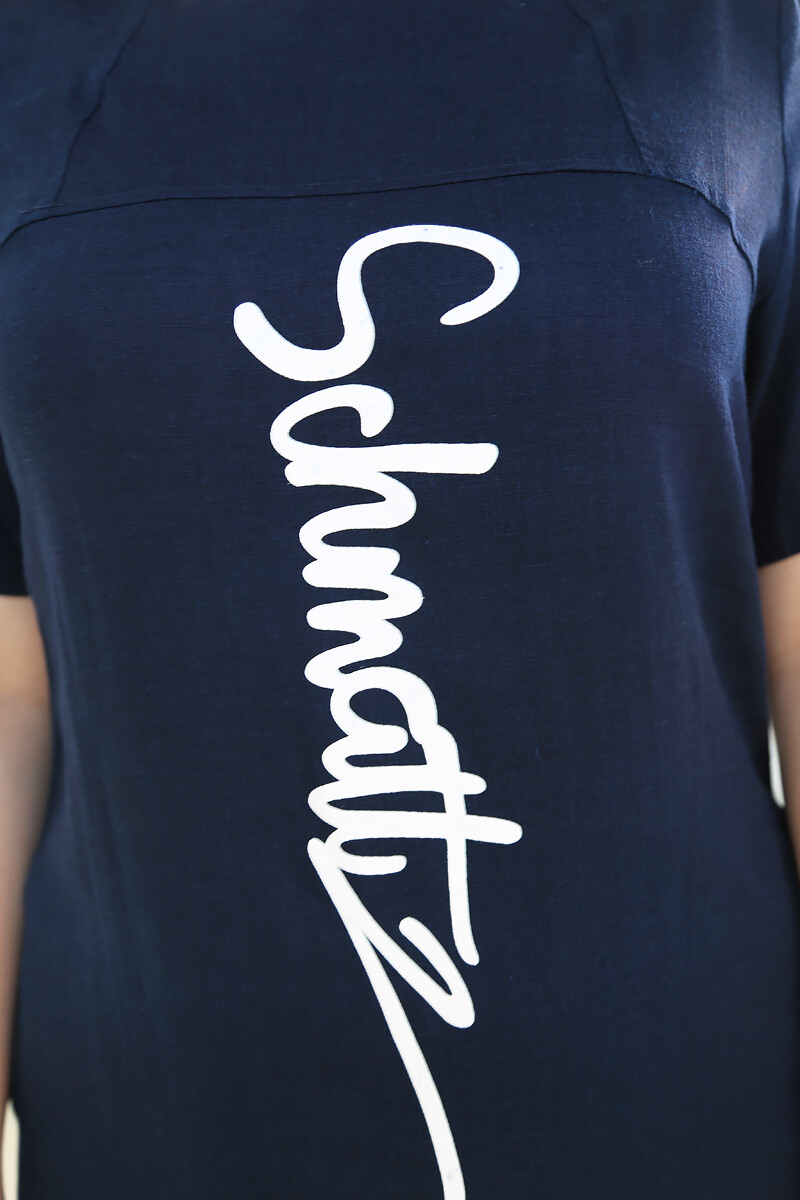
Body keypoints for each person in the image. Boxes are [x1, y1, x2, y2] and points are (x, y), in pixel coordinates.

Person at [1, 1, 800, 1196]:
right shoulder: (23, 59)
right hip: (158, 1114)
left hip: (675, 1107)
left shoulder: (735, 35)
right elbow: (10, 693)